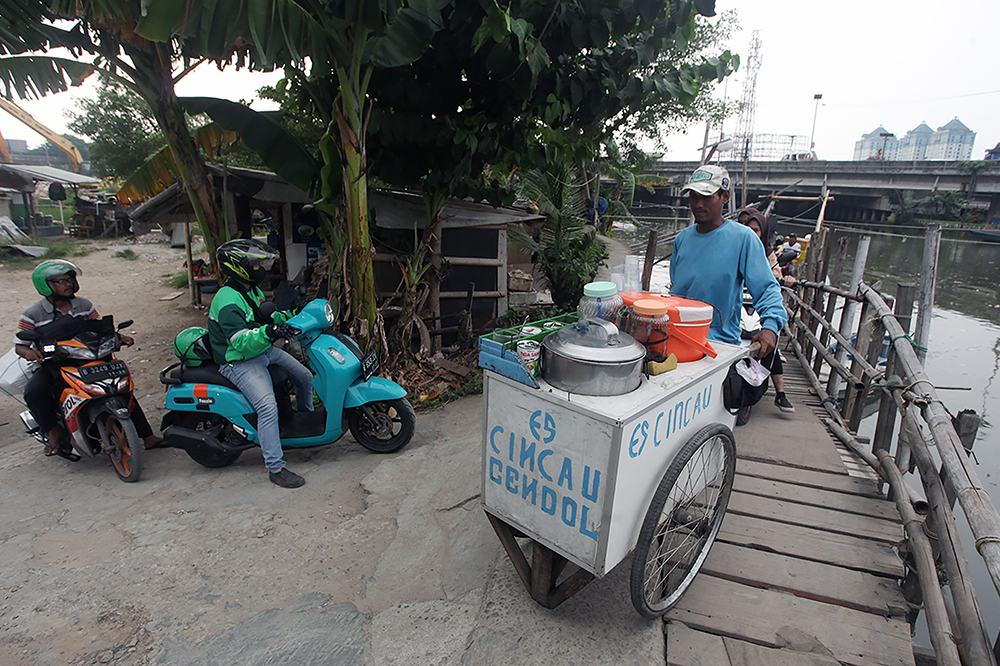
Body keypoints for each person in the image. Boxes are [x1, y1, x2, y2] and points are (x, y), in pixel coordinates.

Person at [15, 260, 165, 458]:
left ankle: (147, 436)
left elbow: (98, 329)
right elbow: (20, 345)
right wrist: (30, 353)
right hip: (55, 364)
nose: (67, 284)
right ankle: (52, 432)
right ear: (46, 285)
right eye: (60, 281)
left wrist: (119, 338)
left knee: (118, 387)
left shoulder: (83, 305)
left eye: (69, 279)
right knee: (35, 392)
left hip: (87, 359)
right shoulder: (33, 313)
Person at [208, 239, 315, 488]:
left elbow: (268, 316)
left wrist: (292, 315)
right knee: (267, 407)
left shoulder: (250, 290)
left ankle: (304, 422)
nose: (261, 269)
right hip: (238, 361)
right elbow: (241, 342)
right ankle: (275, 468)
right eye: (256, 265)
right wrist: (271, 332)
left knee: (305, 377)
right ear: (239, 267)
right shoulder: (227, 300)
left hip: (262, 351)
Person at [669, 164, 787, 362]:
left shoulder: (744, 239)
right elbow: (676, 291)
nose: (698, 204)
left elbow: (766, 288)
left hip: (718, 346)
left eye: (706, 197)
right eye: (693, 196)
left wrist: (770, 327)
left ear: (725, 197)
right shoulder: (682, 239)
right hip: (678, 340)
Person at [738, 208, 795, 413]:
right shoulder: (734, 245)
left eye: (754, 229)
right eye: (744, 226)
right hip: (739, 302)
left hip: (758, 303)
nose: (749, 232)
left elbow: (771, 281)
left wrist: (784, 279)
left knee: (772, 343)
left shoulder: (767, 254)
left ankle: (780, 393)